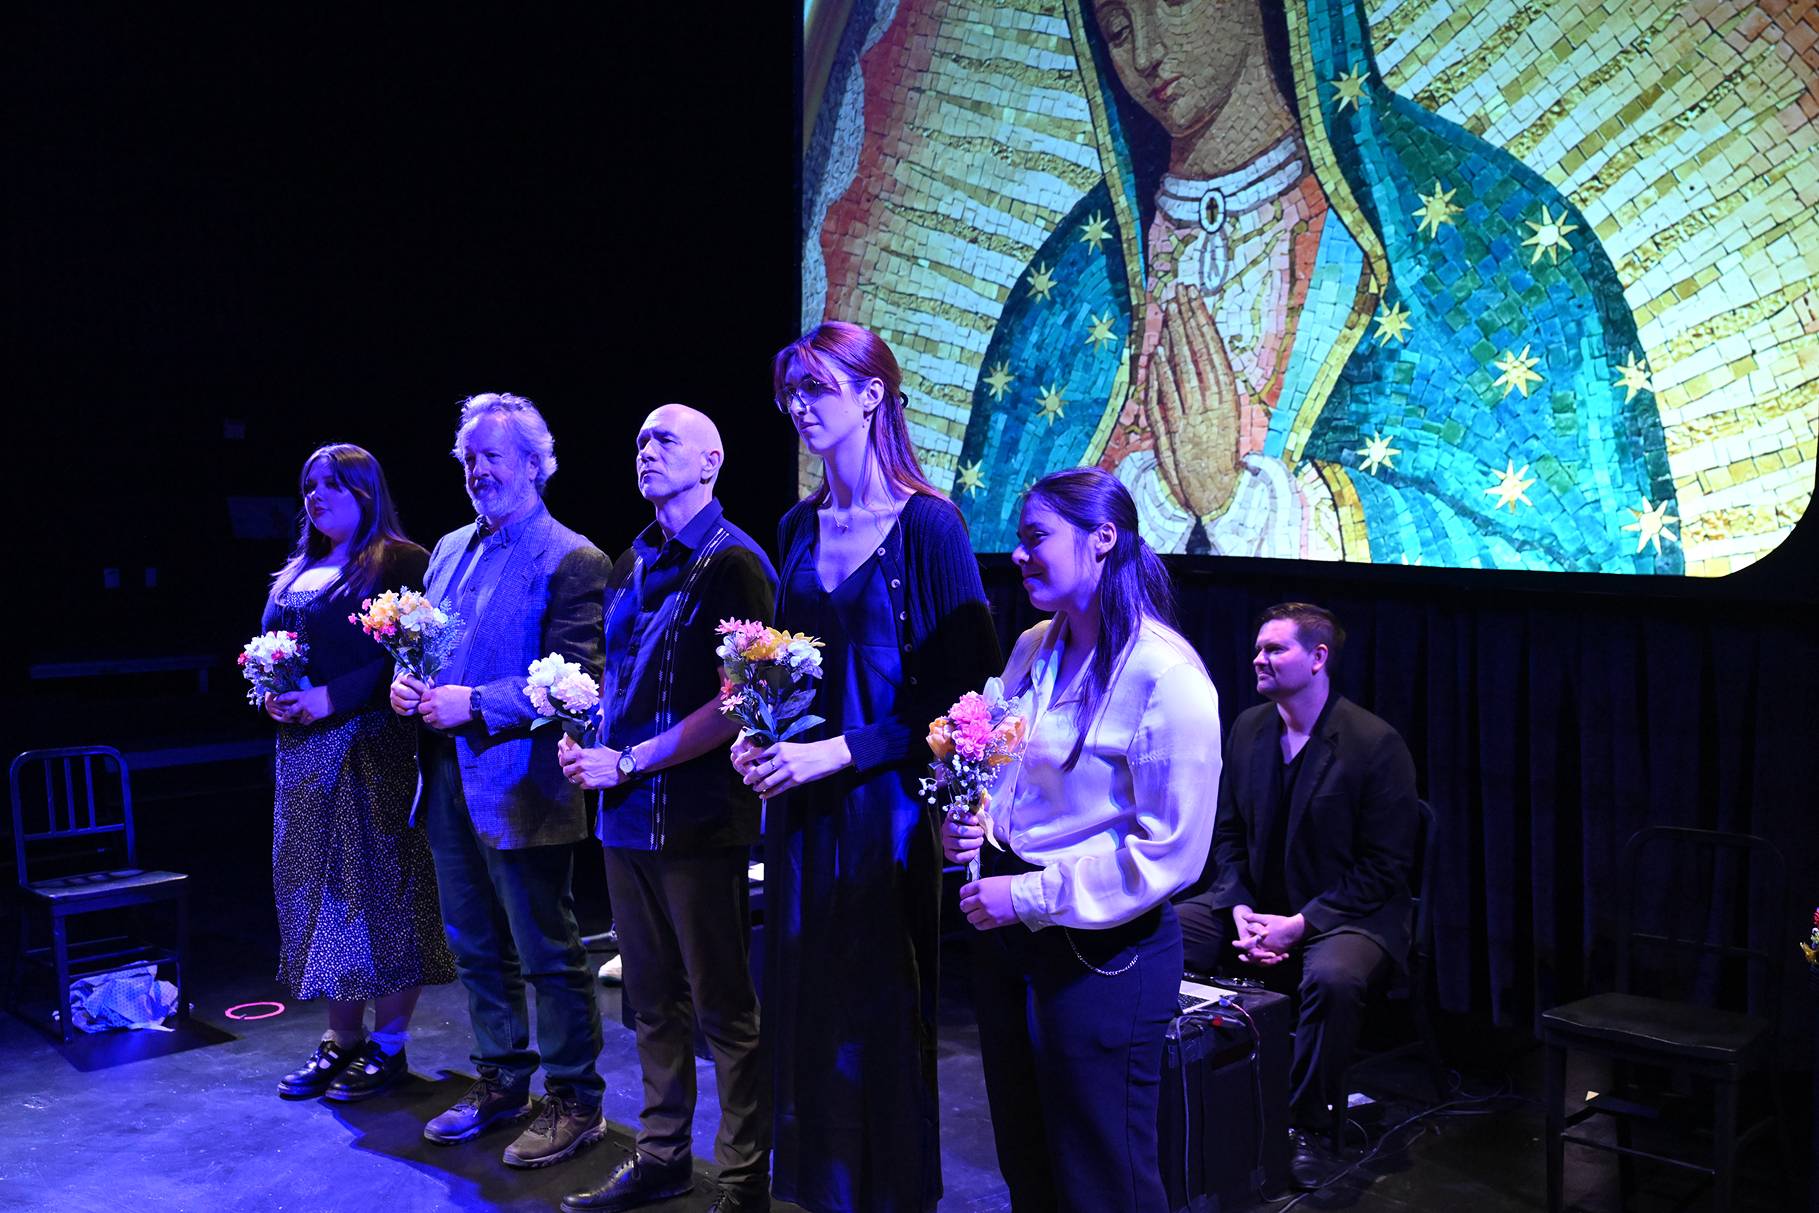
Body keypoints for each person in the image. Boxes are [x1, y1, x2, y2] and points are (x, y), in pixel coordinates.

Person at [944, 0, 1680, 573]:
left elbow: (1567, 548)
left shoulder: (1481, 236)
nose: (1145, 53)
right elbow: (999, 543)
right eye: (1116, 27)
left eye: (1172, 3)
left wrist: (1239, 500)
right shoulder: (1074, 285)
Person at [731, 321, 1002, 1213]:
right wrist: (758, 730)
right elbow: (781, 667)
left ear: (872, 395)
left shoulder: (929, 526)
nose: (799, 407)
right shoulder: (795, 524)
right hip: (800, 806)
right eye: (790, 393)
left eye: (815, 388)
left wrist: (840, 750)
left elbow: (966, 698)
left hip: (882, 810)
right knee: (802, 1007)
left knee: (875, 1015)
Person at [942, 467, 1222, 1213]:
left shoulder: (1166, 676)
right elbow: (1000, 767)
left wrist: (1027, 894)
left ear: (1102, 539)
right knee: (1026, 1156)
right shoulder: (1034, 644)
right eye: (1019, 539)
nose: (1018, 555)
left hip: (1102, 951)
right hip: (1008, 931)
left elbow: (1170, 852)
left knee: (1103, 1177)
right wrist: (968, 821)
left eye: (1035, 537)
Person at [557, 405, 777, 1213]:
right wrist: (585, 734)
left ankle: (744, 1177)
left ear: (711, 461)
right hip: (624, 815)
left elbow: (738, 701)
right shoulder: (631, 557)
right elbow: (620, 676)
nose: (646, 450)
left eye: (664, 440)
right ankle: (661, 1157)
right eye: (640, 440)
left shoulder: (735, 562)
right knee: (649, 998)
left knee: (723, 1005)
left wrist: (631, 758)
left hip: (695, 816)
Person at [389, 392, 612, 1169]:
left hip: (523, 782)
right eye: (468, 456)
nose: (476, 469)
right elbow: (429, 650)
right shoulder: (448, 548)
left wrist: (475, 703)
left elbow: (579, 680)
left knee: (545, 948)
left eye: (491, 455)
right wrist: (409, 683)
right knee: (474, 945)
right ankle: (501, 1080)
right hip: (445, 775)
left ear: (535, 463)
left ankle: (575, 1098)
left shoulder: (573, 557)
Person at [1174, 602, 1419, 1189]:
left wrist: (1300, 925)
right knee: (1164, 932)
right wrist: (1237, 905)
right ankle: (1182, 1092)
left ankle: (1307, 1126)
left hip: (1348, 915)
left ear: (1317, 658)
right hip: (1255, 905)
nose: (1258, 659)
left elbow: (1385, 867)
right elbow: (1228, 833)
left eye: (1275, 649)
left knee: (1333, 978)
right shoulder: (1248, 728)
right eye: (1258, 648)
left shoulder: (1373, 743)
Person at [263, 443, 456, 1101]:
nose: (316, 496)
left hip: (370, 747)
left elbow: (415, 653)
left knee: (381, 892)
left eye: (332, 485)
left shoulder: (399, 560)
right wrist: (272, 693)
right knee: (323, 897)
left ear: (365, 493)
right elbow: (275, 650)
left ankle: (389, 1045)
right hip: (302, 757)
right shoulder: (298, 569)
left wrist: (334, 696)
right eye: (309, 485)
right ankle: (339, 1040)